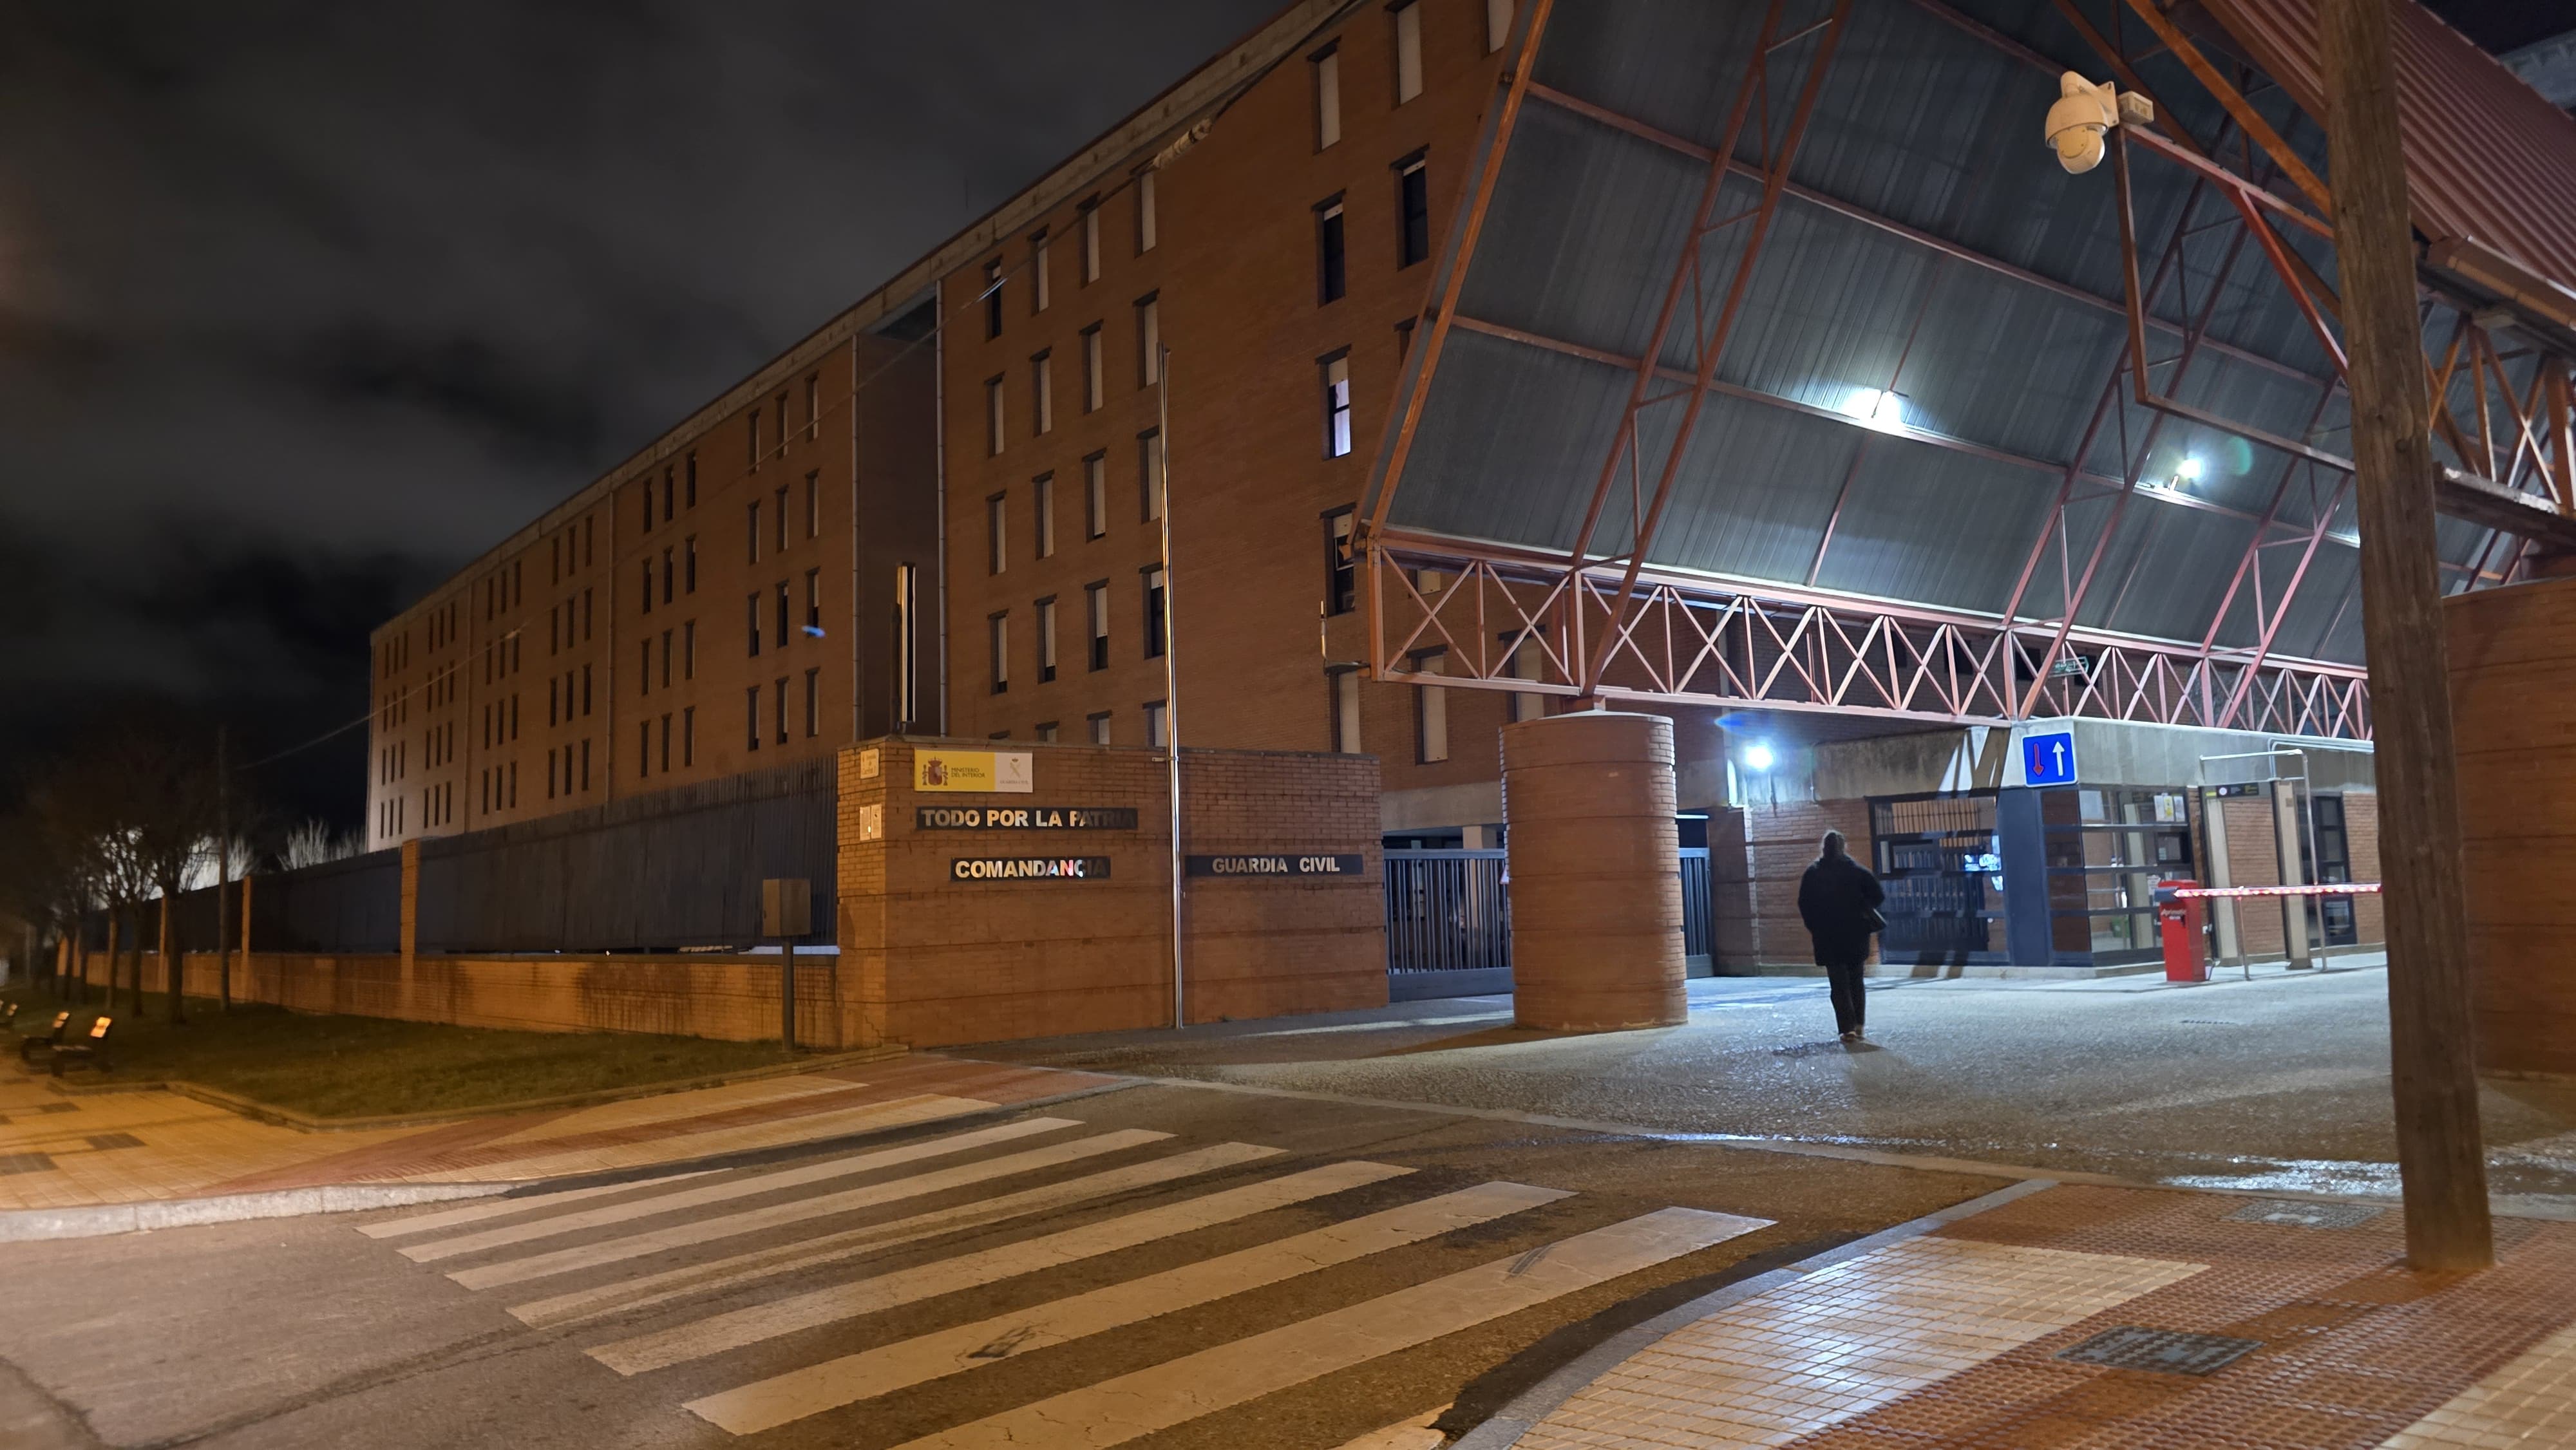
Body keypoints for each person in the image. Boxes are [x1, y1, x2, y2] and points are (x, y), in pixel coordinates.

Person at [1797, 829, 1884, 1042]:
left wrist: (1815, 927)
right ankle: (1859, 1024)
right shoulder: (1857, 871)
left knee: (1838, 984)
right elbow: (1878, 896)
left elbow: (1804, 905)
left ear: (1824, 848)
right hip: (1856, 934)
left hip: (1828, 937)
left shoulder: (1813, 873)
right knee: (1856, 980)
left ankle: (1848, 1029)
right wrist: (1862, 908)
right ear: (1844, 847)